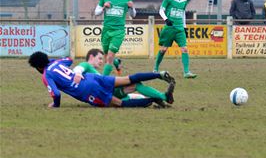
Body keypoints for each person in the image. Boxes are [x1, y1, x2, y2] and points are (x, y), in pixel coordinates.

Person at [28, 51, 174, 108]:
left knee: (119, 104)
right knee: (129, 79)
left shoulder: (46, 75)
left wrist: (55, 105)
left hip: (87, 90)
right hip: (92, 78)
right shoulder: (58, 62)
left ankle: (152, 100)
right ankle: (158, 74)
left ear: (38, 68)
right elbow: (69, 60)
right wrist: (51, 60)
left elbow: (56, 94)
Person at [73, 48, 174, 108]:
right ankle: (160, 91)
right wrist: (77, 73)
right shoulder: (86, 64)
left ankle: (162, 97)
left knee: (136, 86)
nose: (100, 61)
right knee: (134, 84)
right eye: (99, 58)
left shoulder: (94, 72)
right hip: (106, 95)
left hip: (109, 91)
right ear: (91, 57)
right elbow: (78, 68)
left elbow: (103, 79)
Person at [153, 0, 197, 79]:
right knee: (163, 49)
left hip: (179, 29)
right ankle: (155, 68)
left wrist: (185, 27)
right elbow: (161, 10)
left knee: (184, 49)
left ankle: (186, 72)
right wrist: (166, 19)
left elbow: (183, 14)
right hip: (169, 28)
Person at [94, 0, 136, 76]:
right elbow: (96, 12)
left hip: (119, 30)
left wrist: (132, 7)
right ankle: (117, 63)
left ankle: (103, 81)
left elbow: (133, 14)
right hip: (106, 30)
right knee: (107, 55)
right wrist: (104, 7)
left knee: (109, 58)